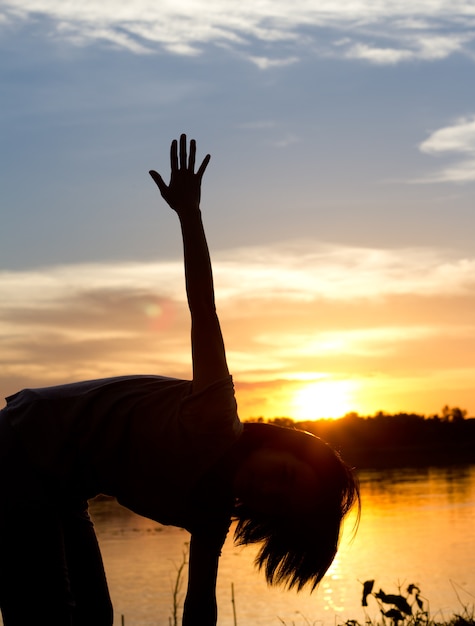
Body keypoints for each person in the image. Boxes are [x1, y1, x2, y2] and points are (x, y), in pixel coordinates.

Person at [0, 135, 359, 626]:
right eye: (284, 476)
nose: (268, 489)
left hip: (63, 483)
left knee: (95, 616)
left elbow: (200, 601)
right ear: (281, 449)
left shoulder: (213, 511)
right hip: (23, 443)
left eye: (278, 504)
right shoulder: (215, 416)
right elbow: (202, 307)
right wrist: (189, 214)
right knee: (50, 613)